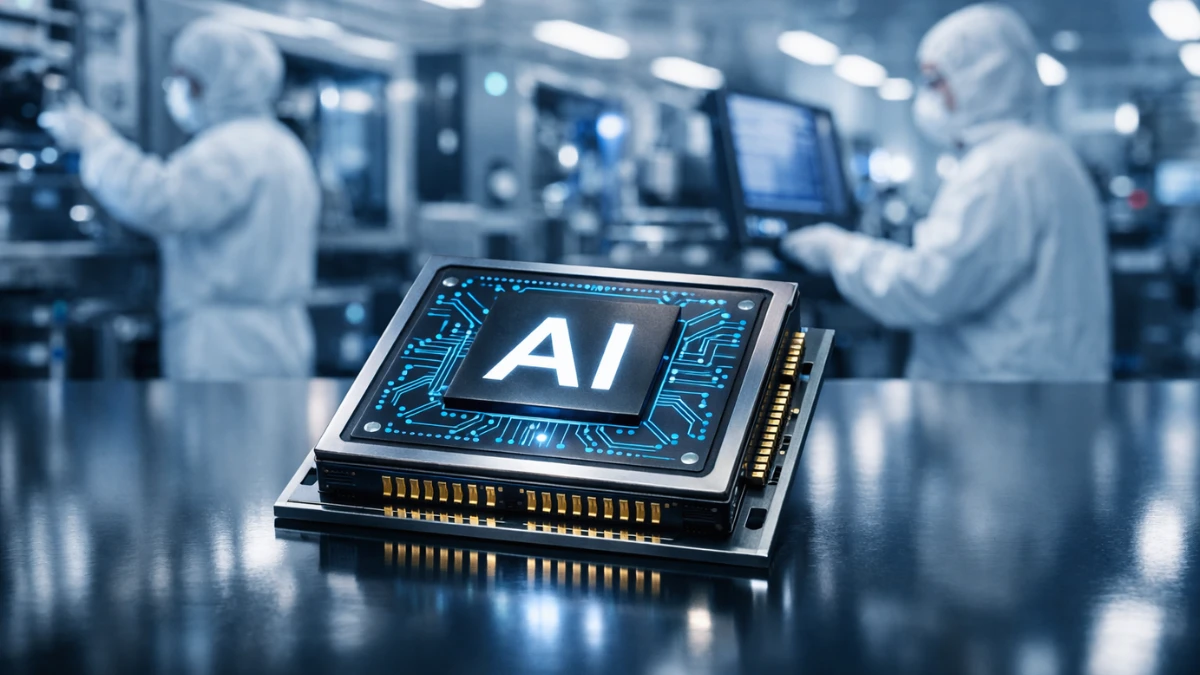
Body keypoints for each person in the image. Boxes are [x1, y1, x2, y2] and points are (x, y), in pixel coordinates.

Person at [781, 3, 1111, 381]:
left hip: (998, 405)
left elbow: (927, 287)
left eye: (936, 81)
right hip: (1047, 393)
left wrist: (838, 251)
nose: (929, 98)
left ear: (981, 79)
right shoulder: (1047, 154)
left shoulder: (999, 167)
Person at [40, 19, 320, 379]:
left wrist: (94, 140)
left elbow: (160, 202)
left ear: (213, 84)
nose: (175, 89)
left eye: (183, 79)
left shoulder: (229, 148)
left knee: (219, 435)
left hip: (226, 348)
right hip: (282, 337)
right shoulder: (283, 147)